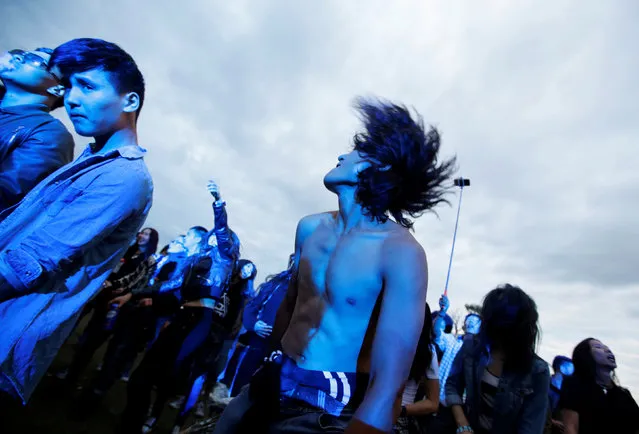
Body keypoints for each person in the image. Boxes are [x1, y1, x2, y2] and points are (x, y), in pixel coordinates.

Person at [215, 97, 456, 434]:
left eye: (358, 151)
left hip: (329, 406)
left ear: (379, 167)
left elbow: (390, 381)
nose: (343, 155)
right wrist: (267, 368)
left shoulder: (401, 252)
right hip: (271, 381)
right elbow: (291, 306)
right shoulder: (309, 228)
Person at [0, 38, 153, 404]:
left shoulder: (124, 177)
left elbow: (27, 265)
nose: (71, 98)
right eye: (69, 86)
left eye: (87, 86)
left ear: (129, 101)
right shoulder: (92, 162)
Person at [120, 181, 240, 434]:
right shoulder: (197, 259)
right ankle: (132, 421)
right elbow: (171, 284)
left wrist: (218, 201)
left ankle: (156, 417)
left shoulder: (225, 258)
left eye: (223, 237)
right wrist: (133, 292)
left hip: (200, 319)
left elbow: (221, 229)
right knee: (143, 375)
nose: (216, 238)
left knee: (170, 372)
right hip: (181, 315)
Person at [445, 284, 550, 434]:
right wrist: (463, 424)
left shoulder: (538, 371)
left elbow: (531, 426)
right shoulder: (472, 347)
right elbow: (452, 386)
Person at [60, 227, 159, 385]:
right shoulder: (128, 250)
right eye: (141, 232)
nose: (141, 235)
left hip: (121, 303)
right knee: (89, 336)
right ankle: (72, 372)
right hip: (105, 295)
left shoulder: (150, 260)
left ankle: (86, 381)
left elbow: (136, 279)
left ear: (152, 240)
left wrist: (113, 283)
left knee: (101, 341)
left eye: (146, 234)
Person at [0, 47, 74, 212]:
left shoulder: (50, 134)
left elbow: (8, 198)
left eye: (34, 61)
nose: (18, 59)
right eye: (22, 55)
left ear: (58, 89)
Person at [559, 338, 639, 434]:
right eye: (598, 347)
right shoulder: (574, 386)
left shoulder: (623, 395)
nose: (607, 350)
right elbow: (570, 427)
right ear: (586, 355)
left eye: (607, 348)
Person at [394, 302, 439, 434]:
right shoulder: (378, 341)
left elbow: (433, 402)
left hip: (398, 422)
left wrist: (401, 410)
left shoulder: (428, 352)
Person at [548, 355, 573, 433]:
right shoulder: (545, 385)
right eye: (570, 365)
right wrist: (553, 422)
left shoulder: (569, 390)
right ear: (561, 367)